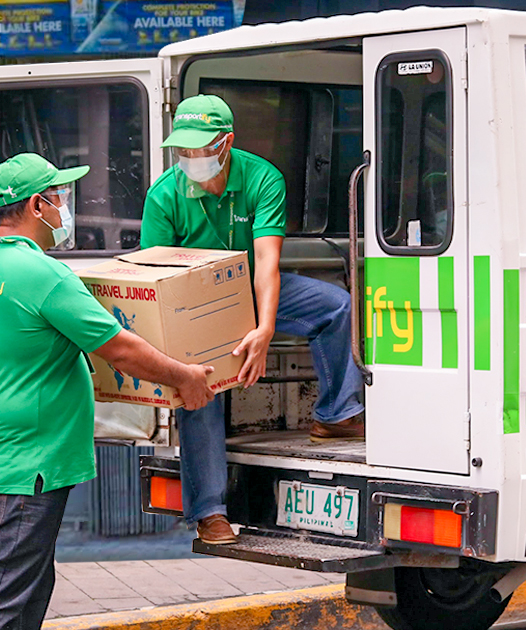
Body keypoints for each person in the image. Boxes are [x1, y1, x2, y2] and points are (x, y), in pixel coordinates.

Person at [0, 153, 215, 630]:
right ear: (37, 205)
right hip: (25, 464)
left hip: (1, 455)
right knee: (0, 597)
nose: (65, 208)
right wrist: (185, 377)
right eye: (60, 198)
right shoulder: (41, 275)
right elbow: (121, 349)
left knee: (22, 589)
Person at [140, 95, 366, 546]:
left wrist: (263, 328)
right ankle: (210, 512)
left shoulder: (262, 178)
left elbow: (267, 262)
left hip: (248, 284)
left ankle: (336, 414)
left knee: (335, 305)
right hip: (194, 302)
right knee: (197, 386)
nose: (191, 159)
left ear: (226, 143)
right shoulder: (164, 194)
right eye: (183, 150)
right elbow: (156, 277)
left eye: (200, 149)